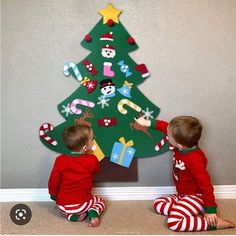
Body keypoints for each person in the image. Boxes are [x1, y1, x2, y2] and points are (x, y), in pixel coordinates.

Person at [135, 115, 235, 232]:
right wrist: (147, 123)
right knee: (158, 204)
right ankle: (190, 212)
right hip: (183, 195)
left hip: (196, 197)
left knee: (173, 223)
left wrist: (210, 210)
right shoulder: (182, 144)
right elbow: (165, 126)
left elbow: (206, 185)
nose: (167, 134)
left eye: (169, 136)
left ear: (179, 145)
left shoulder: (195, 159)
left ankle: (211, 223)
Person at [48, 124, 105, 227]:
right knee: (100, 201)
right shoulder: (92, 159)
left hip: (63, 204)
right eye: (92, 139)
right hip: (81, 203)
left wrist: (53, 195)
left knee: (64, 209)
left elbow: (53, 181)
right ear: (84, 147)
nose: (93, 140)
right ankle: (93, 214)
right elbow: (96, 171)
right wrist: (91, 155)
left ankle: (71, 216)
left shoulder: (60, 160)